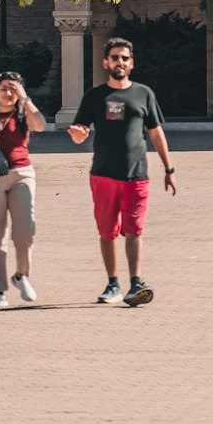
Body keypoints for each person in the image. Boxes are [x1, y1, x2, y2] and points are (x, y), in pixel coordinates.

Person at [67, 36, 176, 307]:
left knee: (134, 229)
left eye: (125, 58)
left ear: (132, 63)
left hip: (137, 175)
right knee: (107, 232)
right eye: (115, 57)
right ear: (106, 62)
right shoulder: (95, 96)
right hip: (103, 175)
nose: (120, 62)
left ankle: (136, 282)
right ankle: (113, 283)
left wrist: (169, 168)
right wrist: (78, 135)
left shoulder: (143, 94)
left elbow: (155, 132)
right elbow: (80, 133)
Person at [0, 70, 46, 310]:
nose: (8, 93)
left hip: (22, 174)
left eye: (13, 88)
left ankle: (21, 275)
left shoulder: (24, 115)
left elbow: (41, 125)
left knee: (26, 230)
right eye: (3, 88)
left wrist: (24, 97)